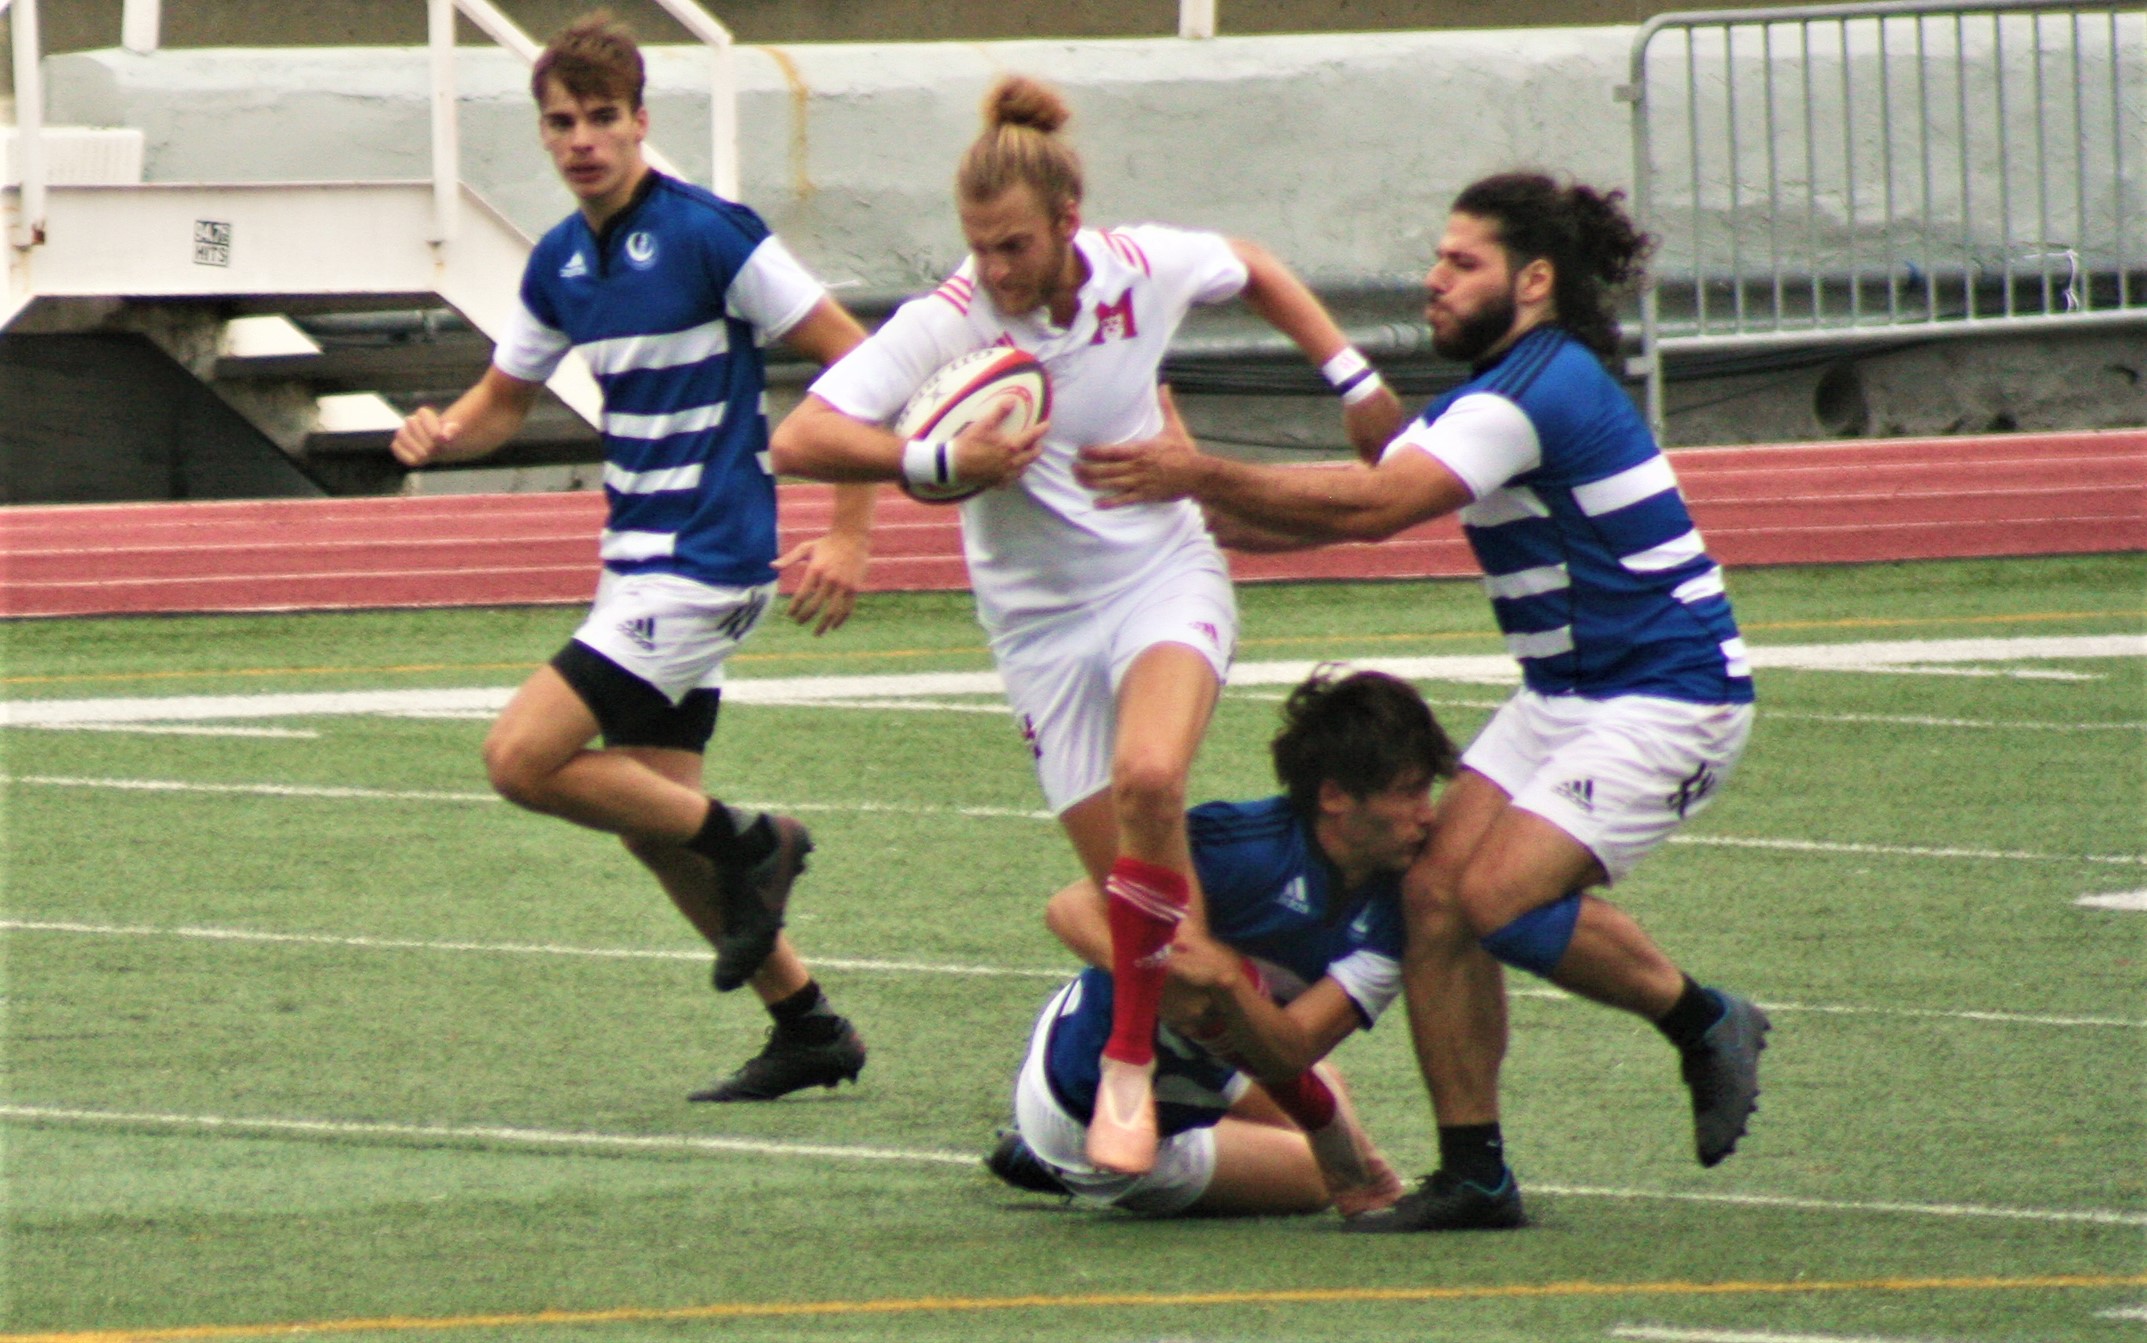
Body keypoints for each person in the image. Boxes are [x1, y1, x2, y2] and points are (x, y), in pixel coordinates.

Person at [1076, 171, 1771, 1230]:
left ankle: (1702, 1017)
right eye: (1437, 259)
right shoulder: (1488, 397)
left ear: (1533, 281)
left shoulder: (1535, 389)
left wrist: (1195, 470)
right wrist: (1157, 507)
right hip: (1564, 694)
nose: (1431, 281)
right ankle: (1477, 1171)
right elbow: (1313, 515)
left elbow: (1369, 504)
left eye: (1461, 263)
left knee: (1493, 896)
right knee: (1431, 894)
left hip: (1665, 693)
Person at [769, 74, 1403, 1174]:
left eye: (1013, 246)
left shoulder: (1138, 269)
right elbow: (804, 436)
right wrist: (935, 463)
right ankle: (1304, 1125)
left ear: (1069, 223)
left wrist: (1350, 377)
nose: (994, 269)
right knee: (1190, 957)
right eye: (977, 246)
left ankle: (1122, 1060)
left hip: (1160, 576)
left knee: (1151, 779)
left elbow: (1248, 263)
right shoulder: (952, 318)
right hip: (1041, 642)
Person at [389, 12, 878, 1103]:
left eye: (602, 118)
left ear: (641, 122)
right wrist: (442, 433)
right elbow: (503, 402)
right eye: (560, 122)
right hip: (635, 566)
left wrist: (848, 529)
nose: (582, 140)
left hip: (705, 564)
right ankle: (807, 1024)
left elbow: (864, 363)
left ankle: (758, 839)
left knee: (520, 759)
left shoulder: (711, 233)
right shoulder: (561, 260)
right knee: (647, 819)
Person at [987, 668, 1454, 1218]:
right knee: (1311, 1178)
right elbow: (1069, 909)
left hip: (1211, 1067)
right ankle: (1049, 1161)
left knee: (1325, 1080)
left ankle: (1346, 1154)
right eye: (1409, 792)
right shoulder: (1238, 849)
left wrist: (1228, 983)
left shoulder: (1396, 908)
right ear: (1334, 796)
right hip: (1080, 1103)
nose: (1427, 814)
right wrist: (1167, 974)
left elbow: (1290, 1051)